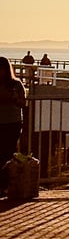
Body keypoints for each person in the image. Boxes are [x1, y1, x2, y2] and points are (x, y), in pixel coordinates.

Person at [0, 56, 27, 198]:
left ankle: (5, 185)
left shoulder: (16, 84)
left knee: (7, 154)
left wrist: (14, 99)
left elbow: (23, 103)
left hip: (12, 123)